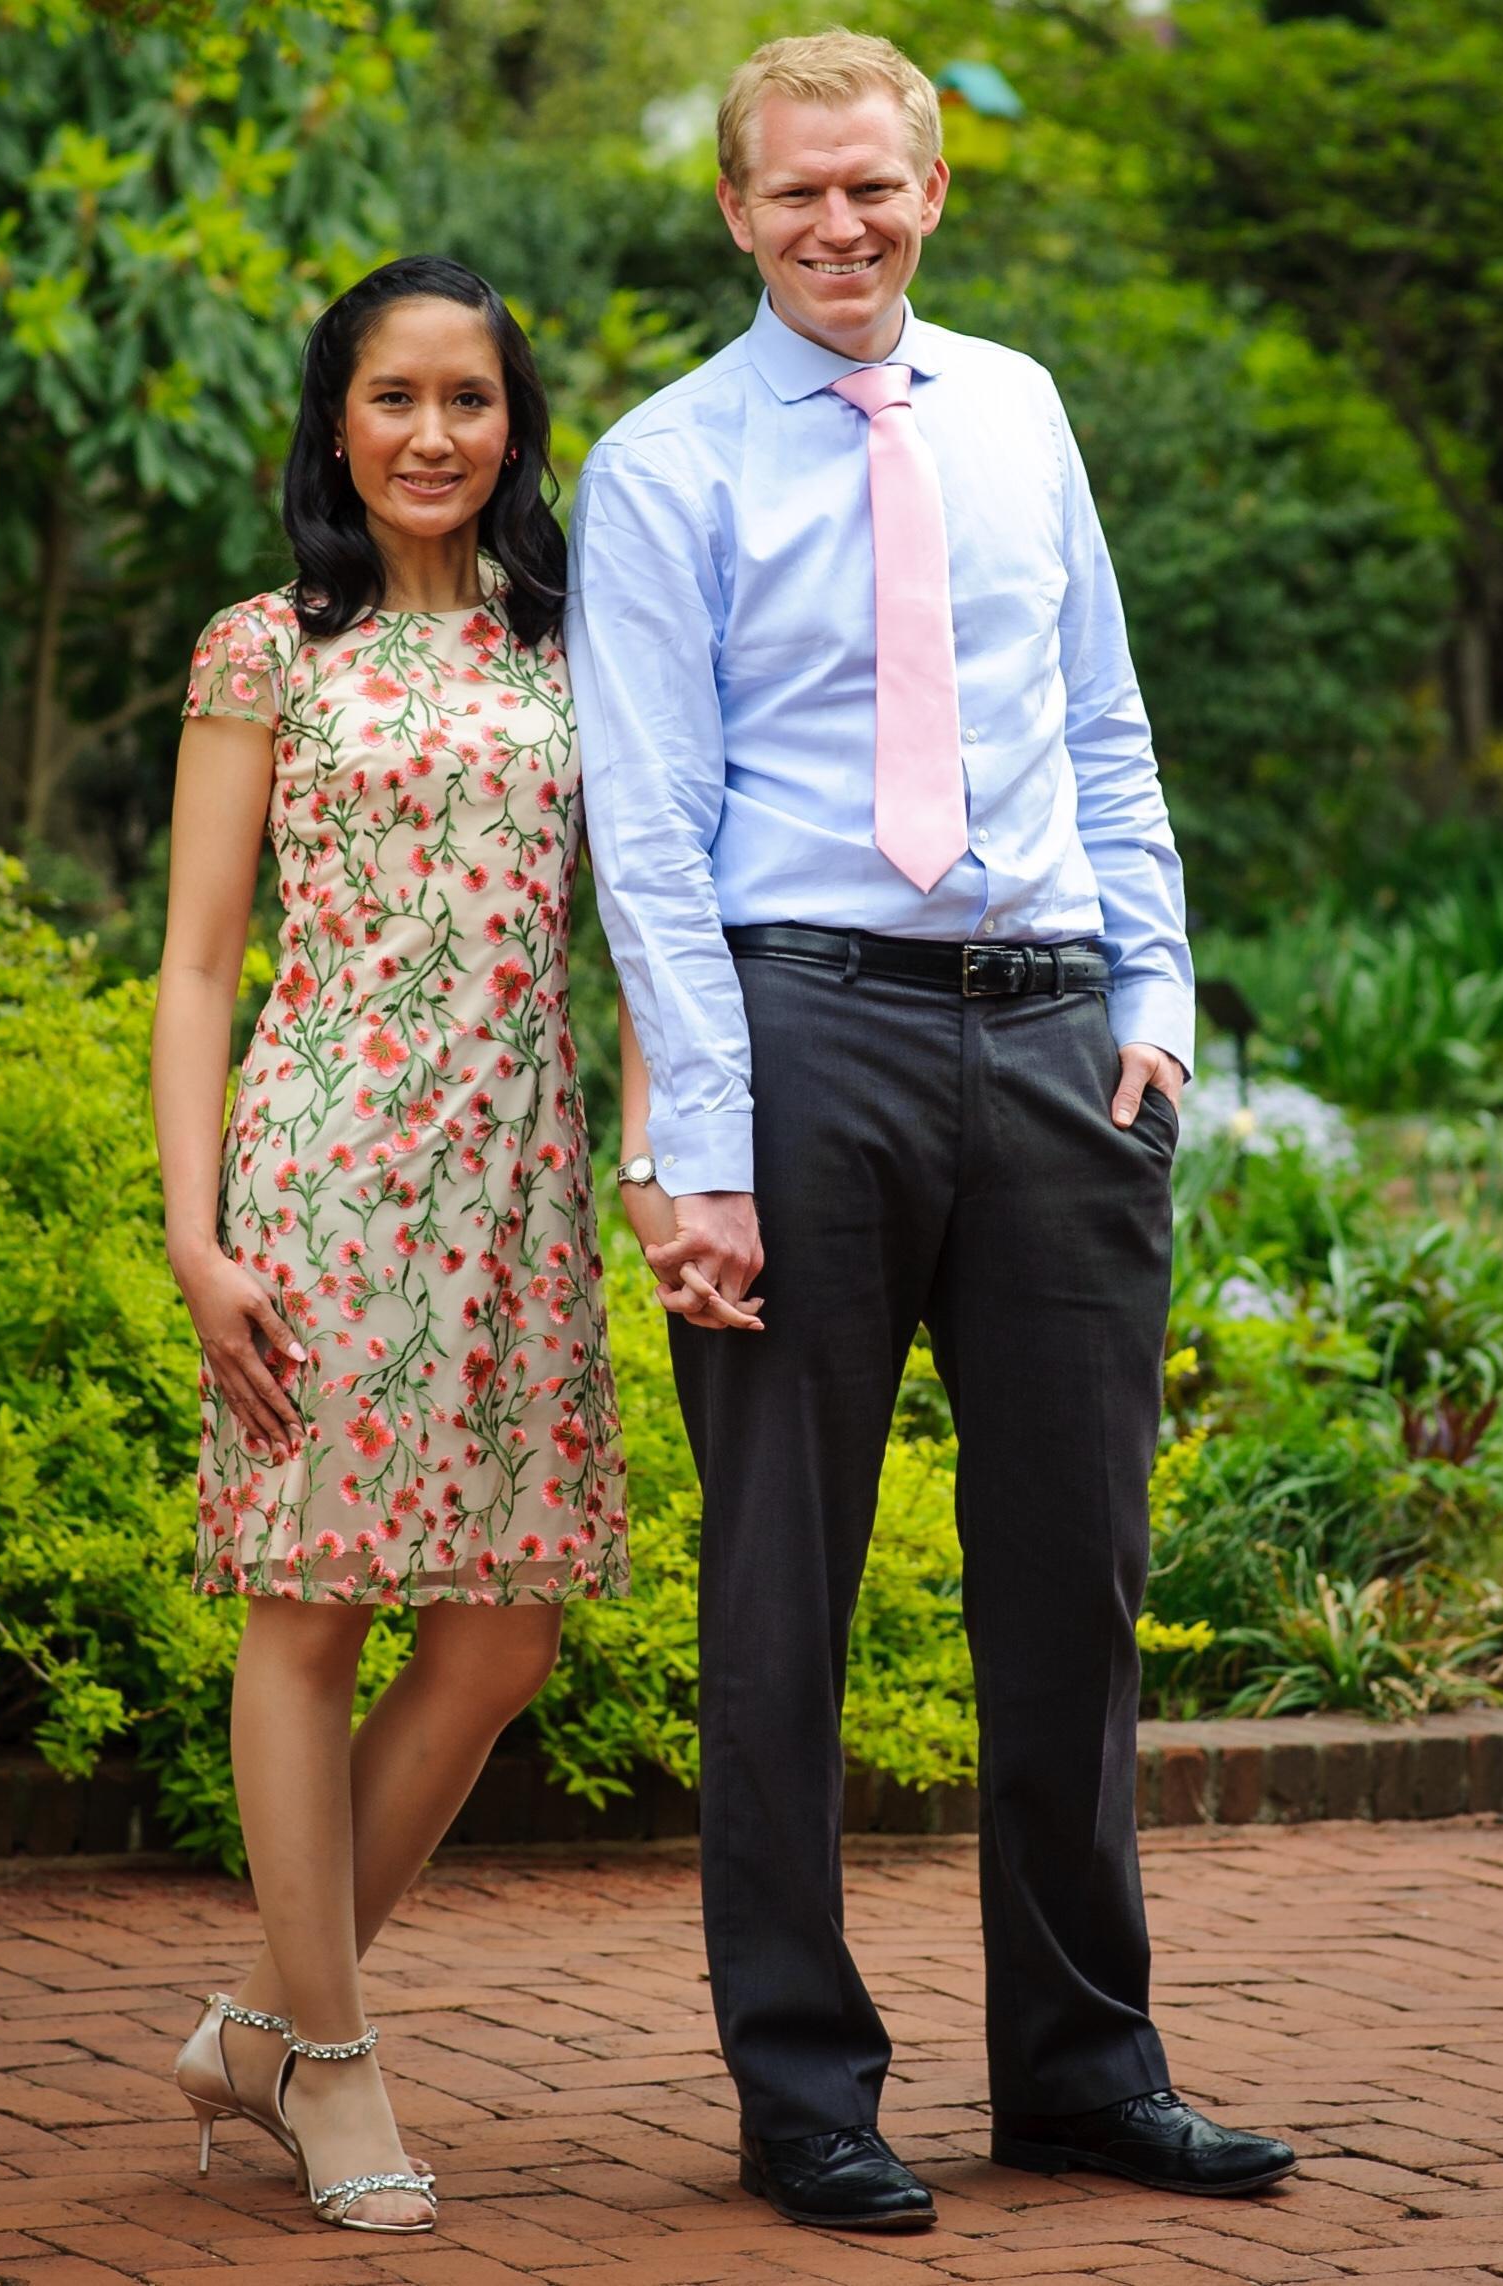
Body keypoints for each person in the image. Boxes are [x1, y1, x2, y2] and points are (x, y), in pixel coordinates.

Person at [569, 29, 1297, 2234]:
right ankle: (807, 2089)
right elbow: (654, 840)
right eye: (796, 192)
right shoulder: (662, 465)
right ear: (733, 210)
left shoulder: (1021, 412)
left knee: (1074, 1585)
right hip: (807, 1040)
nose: (840, 225)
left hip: (1058, 1043)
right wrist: (696, 1139)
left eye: (874, 187)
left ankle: (1085, 2073)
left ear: (934, 190)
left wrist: (1155, 1007)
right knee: (779, 1585)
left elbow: (1104, 724)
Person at [150, 254, 629, 2237]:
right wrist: (197, 1239)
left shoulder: (573, 644)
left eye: (472, 400)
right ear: (335, 423)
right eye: (395, 400)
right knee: (313, 1611)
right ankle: (332, 2065)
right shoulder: (267, 650)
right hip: (326, 1177)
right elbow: (191, 966)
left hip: (521, 1190)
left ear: (516, 425)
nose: (435, 436)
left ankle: (265, 2018)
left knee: (502, 1630)